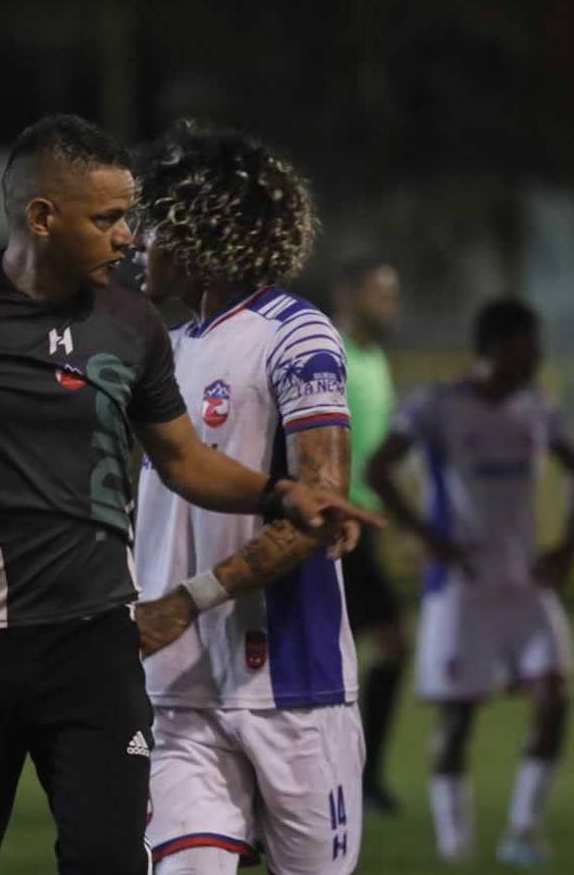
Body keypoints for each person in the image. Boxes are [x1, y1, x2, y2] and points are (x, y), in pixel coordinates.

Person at [0, 114, 378, 875]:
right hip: (15, 648)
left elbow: (185, 460)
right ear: (42, 217)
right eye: (111, 219)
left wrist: (276, 499)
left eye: (138, 221)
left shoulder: (154, 328)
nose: (132, 239)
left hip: (163, 662)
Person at [130, 122, 364, 875]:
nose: (140, 241)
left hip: (291, 684)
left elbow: (321, 507)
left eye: (157, 223)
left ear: (203, 232)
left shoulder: (296, 337)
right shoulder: (159, 351)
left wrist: (187, 599)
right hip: (176, 687)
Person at [366, 298, 574, 867]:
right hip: (460, 584)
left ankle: (522, 832)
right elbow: (377, 468)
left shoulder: (537, 409)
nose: (539, 355)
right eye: (530, 343)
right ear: (497, 344)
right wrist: (427, 537)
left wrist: (567, 545)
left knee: (555, 695)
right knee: (458, 715)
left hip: (523, 583)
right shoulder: (439, 407)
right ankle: (456, 848)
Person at [333, 258, 408, 813]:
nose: (389, 305)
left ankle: (357, 776)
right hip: (338, 526)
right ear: (350, 294)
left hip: (366, 525)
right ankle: (359, 778)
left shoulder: (375, 358)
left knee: (363, 653)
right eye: (380, 295)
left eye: (392, 296)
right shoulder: (329, 351)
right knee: (387, 646)